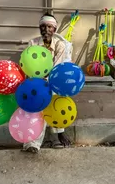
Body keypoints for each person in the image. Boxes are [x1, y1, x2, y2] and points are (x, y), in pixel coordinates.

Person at [23, 12, 71, 153]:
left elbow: (58, 65)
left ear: (54, 29)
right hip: (36, 81)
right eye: (43, 26)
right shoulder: (32, 43)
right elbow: (28, 64)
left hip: (54, 81)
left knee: (55, 103)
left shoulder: (60, 45)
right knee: (35, 110)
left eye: (49, 27)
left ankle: (56, 136)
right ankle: (32, 143)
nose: (46, 30)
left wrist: (48, 79)